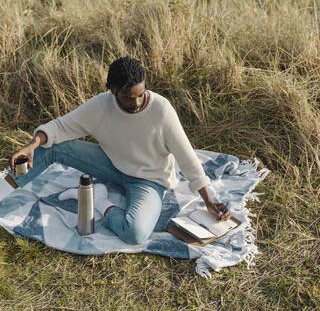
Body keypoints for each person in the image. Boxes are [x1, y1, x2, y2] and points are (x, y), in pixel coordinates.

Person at [0, 56, 230, 244]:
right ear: (112, 90)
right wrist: (32, 145)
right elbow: (60, 127)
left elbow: (187, 158)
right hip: (111, 164)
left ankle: (101, 200)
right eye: (129, 98)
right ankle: (2, 189)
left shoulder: (161, 110)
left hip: (149, 181)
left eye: (141, 94)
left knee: (135, 233)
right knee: (50, 145)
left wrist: (209, 200)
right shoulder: (100, 106)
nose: (137, 102)